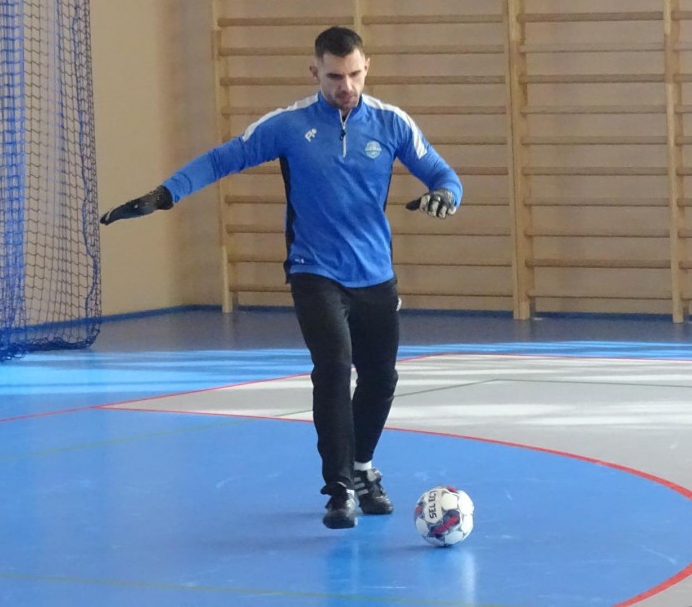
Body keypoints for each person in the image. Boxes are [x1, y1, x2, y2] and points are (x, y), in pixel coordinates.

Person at [99, 26, 463, 529]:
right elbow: (224, 158)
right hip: (314, 269)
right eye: (334, 76)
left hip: (375, 273)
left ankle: (362, 468)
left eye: (354, 74)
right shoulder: (289, 125)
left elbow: (444, 175)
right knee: (333, 368)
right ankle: (339, 487)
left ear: (367, 68)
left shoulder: (391, 122)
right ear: (315, 72)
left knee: (381, 379)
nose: (346, 86)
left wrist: (445, 196)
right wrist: (166, 194)